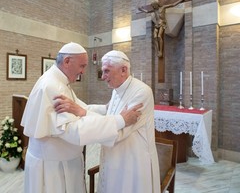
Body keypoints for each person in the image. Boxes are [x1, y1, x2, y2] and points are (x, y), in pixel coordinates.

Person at [20, 42, 142, 193]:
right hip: (54, 166)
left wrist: (106, 109)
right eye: (82, 66)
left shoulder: (57, 81)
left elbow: (78, 108)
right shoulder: (54, 87)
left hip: (57, 159)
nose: (83, 72)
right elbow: (74, 131)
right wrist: (121, 120)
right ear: (67, 62)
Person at [54, 50, 161, 193]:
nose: (103, 77)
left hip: (132, 161)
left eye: (106, 71)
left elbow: (118, 132)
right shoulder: (117, 88)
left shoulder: (141, 92)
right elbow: (108, 110)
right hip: (113, 157)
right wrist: (78, 108)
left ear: (123, 70)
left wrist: (82, 112)